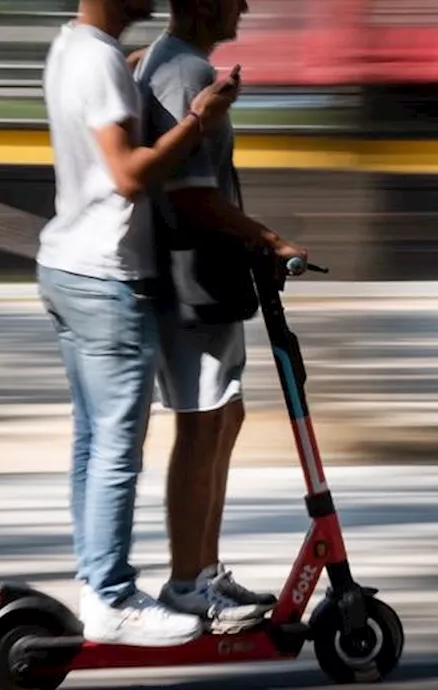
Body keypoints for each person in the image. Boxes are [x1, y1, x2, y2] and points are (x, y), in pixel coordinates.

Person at [34, 0, 242, 647]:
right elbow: (128, 177)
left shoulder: (72, 48)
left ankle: (96, 583)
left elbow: (105, 100)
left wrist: (136, 70)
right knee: (118, 448)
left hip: (64, 264)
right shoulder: (97, 60)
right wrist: (198, 121)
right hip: (105, 274)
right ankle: (113, 598)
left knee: (93, 443)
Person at [133, 0, 308, 634]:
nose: (245, 5)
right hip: (191, 277)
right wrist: (269, 238)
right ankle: (187, 583)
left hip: (203, 275)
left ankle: (202, 573)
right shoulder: (182, 73)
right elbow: (194, 198)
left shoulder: (177, 63)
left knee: (222, 417)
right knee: (201, 425)